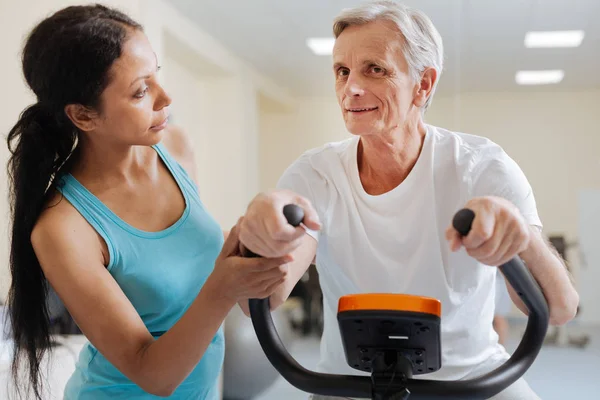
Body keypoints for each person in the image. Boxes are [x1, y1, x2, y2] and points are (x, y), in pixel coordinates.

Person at [238, 1, 579, 399]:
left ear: (424, 84)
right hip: (346, 382)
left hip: (470, 379)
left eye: (374, 69)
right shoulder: (315, 175)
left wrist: (523, 239)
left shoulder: (482, 168)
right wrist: (259, 239)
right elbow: (265, 298)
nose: (351, 88)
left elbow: (559, 310)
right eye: (342, 71)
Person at [5, 5, 290, 400]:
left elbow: (179, 261)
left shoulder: (175, 147)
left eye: (156, 74)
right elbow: (152, 375)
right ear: (84, 116)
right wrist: (222, 290)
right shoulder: (63, 228)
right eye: (141, 90)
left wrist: (253, 240)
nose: (165, 97)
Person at [493, 270, 512, 346]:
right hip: (502, 279)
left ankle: (500, 347)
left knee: (498, 318)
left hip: (498, 280)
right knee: (499, 318)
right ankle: (500, 348)